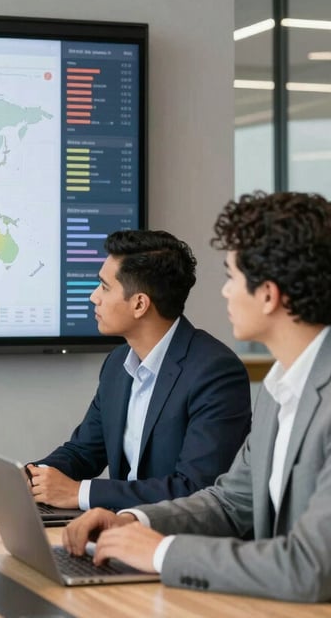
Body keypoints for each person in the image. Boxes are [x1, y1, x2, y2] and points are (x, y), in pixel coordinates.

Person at [63, 192, 331, 602]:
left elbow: (310, 567)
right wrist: (134, 521)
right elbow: (229, 502)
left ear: (268, 294)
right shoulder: (281, 386)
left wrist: (162, 552)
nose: (224, 293)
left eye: (232, 277)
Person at [28, 230, 251, 511]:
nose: (94, 297)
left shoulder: (215, 372)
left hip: (175, 540)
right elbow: (85, 451)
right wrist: (30, 476)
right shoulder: (117, 363)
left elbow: (196, 488)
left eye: (104, 287)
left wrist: (80, 493)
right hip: (117, 530)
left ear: (139, 304)